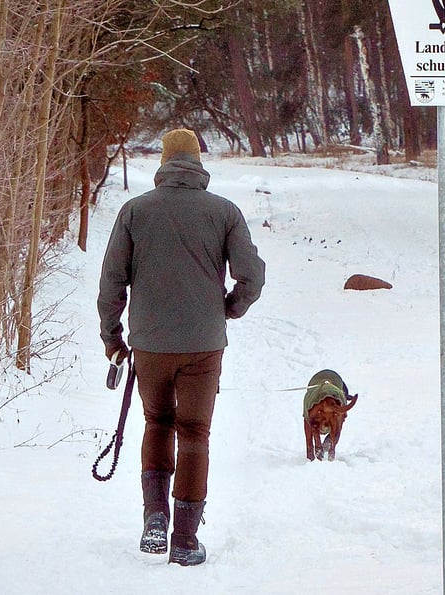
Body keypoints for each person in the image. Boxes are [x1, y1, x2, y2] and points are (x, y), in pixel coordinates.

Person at [97, 128, 265, 566]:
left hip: (150, 344)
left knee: (157, 423)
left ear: (163, 162)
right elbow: (252, 275)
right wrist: (231, 307)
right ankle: (186, 540)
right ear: (198, 162)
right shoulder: (224, 212)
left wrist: (112, 338)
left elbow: (112, 282)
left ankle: (155, 517)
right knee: (194, 432)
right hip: (203, 346)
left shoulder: (135, 212)